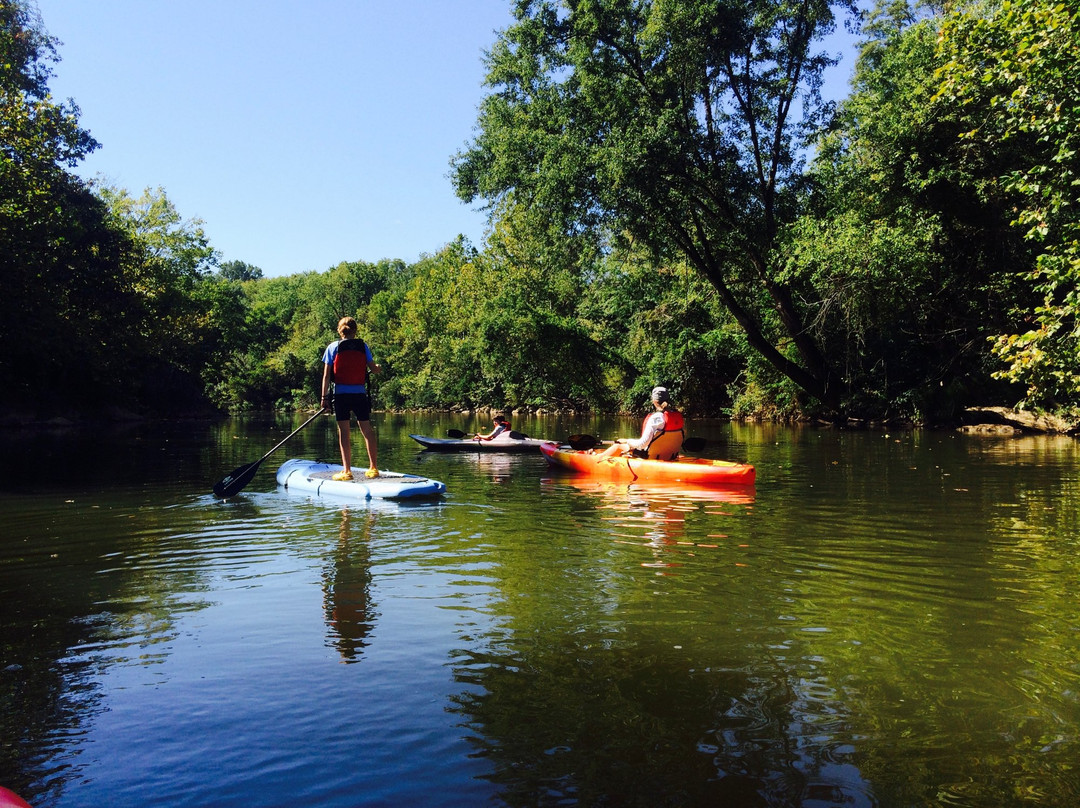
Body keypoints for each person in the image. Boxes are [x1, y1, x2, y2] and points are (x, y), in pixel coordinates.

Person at [321, 316, 382, 480]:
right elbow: (374, 369)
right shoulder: (363, 346)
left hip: (341, 395)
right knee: (367, 430)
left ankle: (347, 471)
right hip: (359, 395)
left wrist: (324, 398)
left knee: (344, 432)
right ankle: (373, 468)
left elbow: (326, 376)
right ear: (355, 331)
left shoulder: (332, 347)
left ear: (339, 331)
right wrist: (378, 368)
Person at [595, 386, 685, 461]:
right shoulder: (677, 416)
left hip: (649, 456)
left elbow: (643, 444)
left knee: (618, 444)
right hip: (669, 456)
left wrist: (627, 441)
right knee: (626, 444)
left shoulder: (656, 418)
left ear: (654, 401)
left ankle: (597, 460)